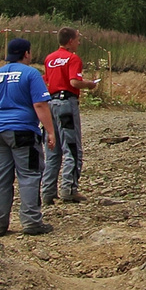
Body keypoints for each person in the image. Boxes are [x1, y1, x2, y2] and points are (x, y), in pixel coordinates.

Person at [0, 38, 56, 237]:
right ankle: (31, 221)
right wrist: (51, 131)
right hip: (22, 132)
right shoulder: (31, 74)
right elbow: (40, 104)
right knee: (29, 174)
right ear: (26, 54)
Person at [42, 27, 99, 205]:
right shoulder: (73, 59)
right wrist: (89, 84)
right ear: (70, 41)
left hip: (50, 104)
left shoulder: (49, 58)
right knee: (72, 148)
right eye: (77, 39)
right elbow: (74, 81)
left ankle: (47, 191)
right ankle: (69, 189)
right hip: (66, 102)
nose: (79, 42)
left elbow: (47, 80)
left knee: (53, 149)